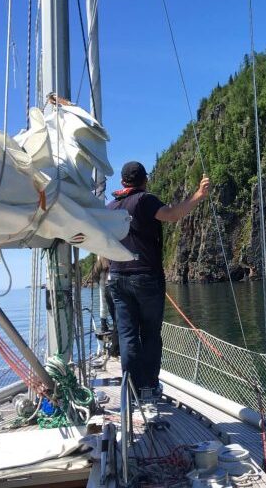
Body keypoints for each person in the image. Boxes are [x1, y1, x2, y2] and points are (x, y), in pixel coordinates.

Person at [106, 161, 210, 398]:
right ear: (145, 180)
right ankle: (148, 387)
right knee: (150, 334)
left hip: (117, 277)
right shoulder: (144, 200)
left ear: (122, 182)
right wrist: (199, 195)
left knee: (127, 335)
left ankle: (130, 390)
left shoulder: (110, 208)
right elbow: (172, 215)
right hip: (145, 277)